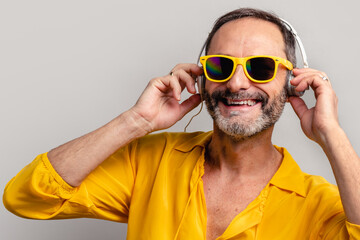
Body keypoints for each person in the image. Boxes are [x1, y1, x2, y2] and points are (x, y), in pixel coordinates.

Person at [3, 7, 360, 240]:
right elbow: (27, 196)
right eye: (221, 66)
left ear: (292, 81)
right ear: (203, 77)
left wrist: (332, 136)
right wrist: (135, 121)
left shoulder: (315, 204)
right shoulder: (148, 162)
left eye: (260, 67)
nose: (236, 85)